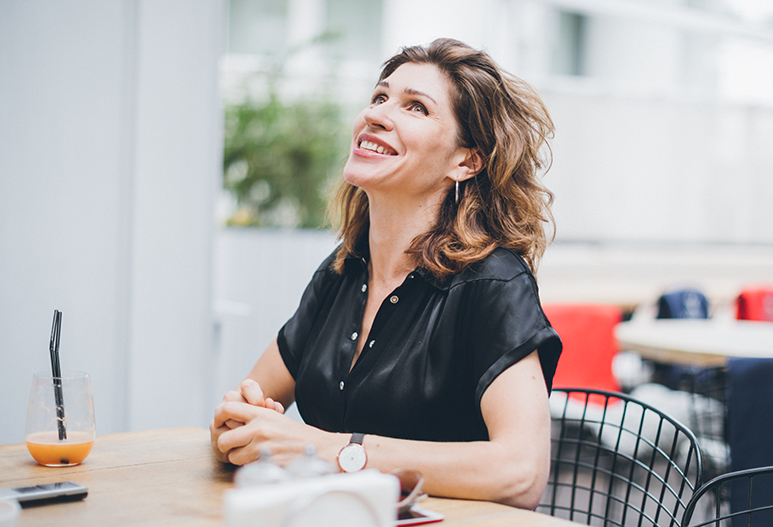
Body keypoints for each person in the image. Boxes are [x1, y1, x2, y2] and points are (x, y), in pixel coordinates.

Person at [210, 38, 562, 510]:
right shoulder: (343, 269)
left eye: (416, 107)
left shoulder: (493, 283)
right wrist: (240, 423)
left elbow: (520, 473)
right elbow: (249, 401)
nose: (377, 114)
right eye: (379, 97)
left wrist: (331, 450)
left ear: (465, 161)